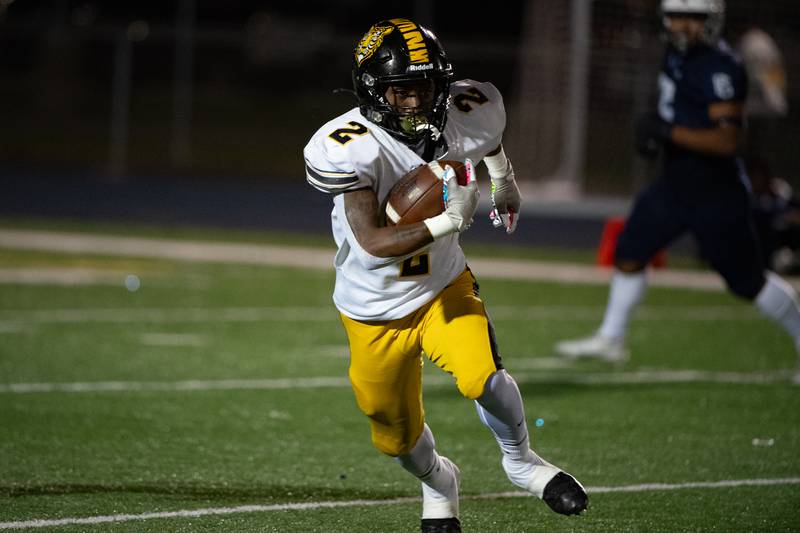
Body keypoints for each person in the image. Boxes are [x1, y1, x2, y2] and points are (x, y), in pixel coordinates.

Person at [304, 18, 587, 532]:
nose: (417, 101)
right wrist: (447, 220)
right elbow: (371, 240)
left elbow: (488, 139)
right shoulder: (349, 146)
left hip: (442, 287)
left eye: (427, 87)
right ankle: (439, 482)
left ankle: (522, 462)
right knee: (393, 436)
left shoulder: (469, 107)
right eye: (403, 91)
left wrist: (504, 182)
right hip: (373, 309)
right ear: (375, 92)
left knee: (484, 376)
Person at [555, 0, 800, 385]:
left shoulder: (722, 66)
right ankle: (612, 338)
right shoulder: (674, 54)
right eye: (676, 16)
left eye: (694, 18)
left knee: (748, 281)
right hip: (675, 182)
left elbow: (727, 141)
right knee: (630, 251)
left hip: (715, 191)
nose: (683, 26)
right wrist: (661, 136)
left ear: (712, 21)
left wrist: (666, 132)